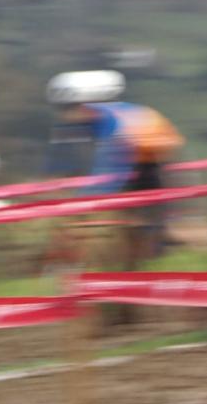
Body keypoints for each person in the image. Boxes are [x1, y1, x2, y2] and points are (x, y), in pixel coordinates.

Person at [45, 70, 183, 266]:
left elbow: (113, 165)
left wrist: (88, 197)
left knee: (143, 217)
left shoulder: (108, 120)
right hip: (146, 153)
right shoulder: (104, 114)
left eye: (67, 110)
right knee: (135, 215)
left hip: (149, 157)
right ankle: (147, 249)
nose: (65, 117)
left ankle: (155, 252)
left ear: (83, 107)